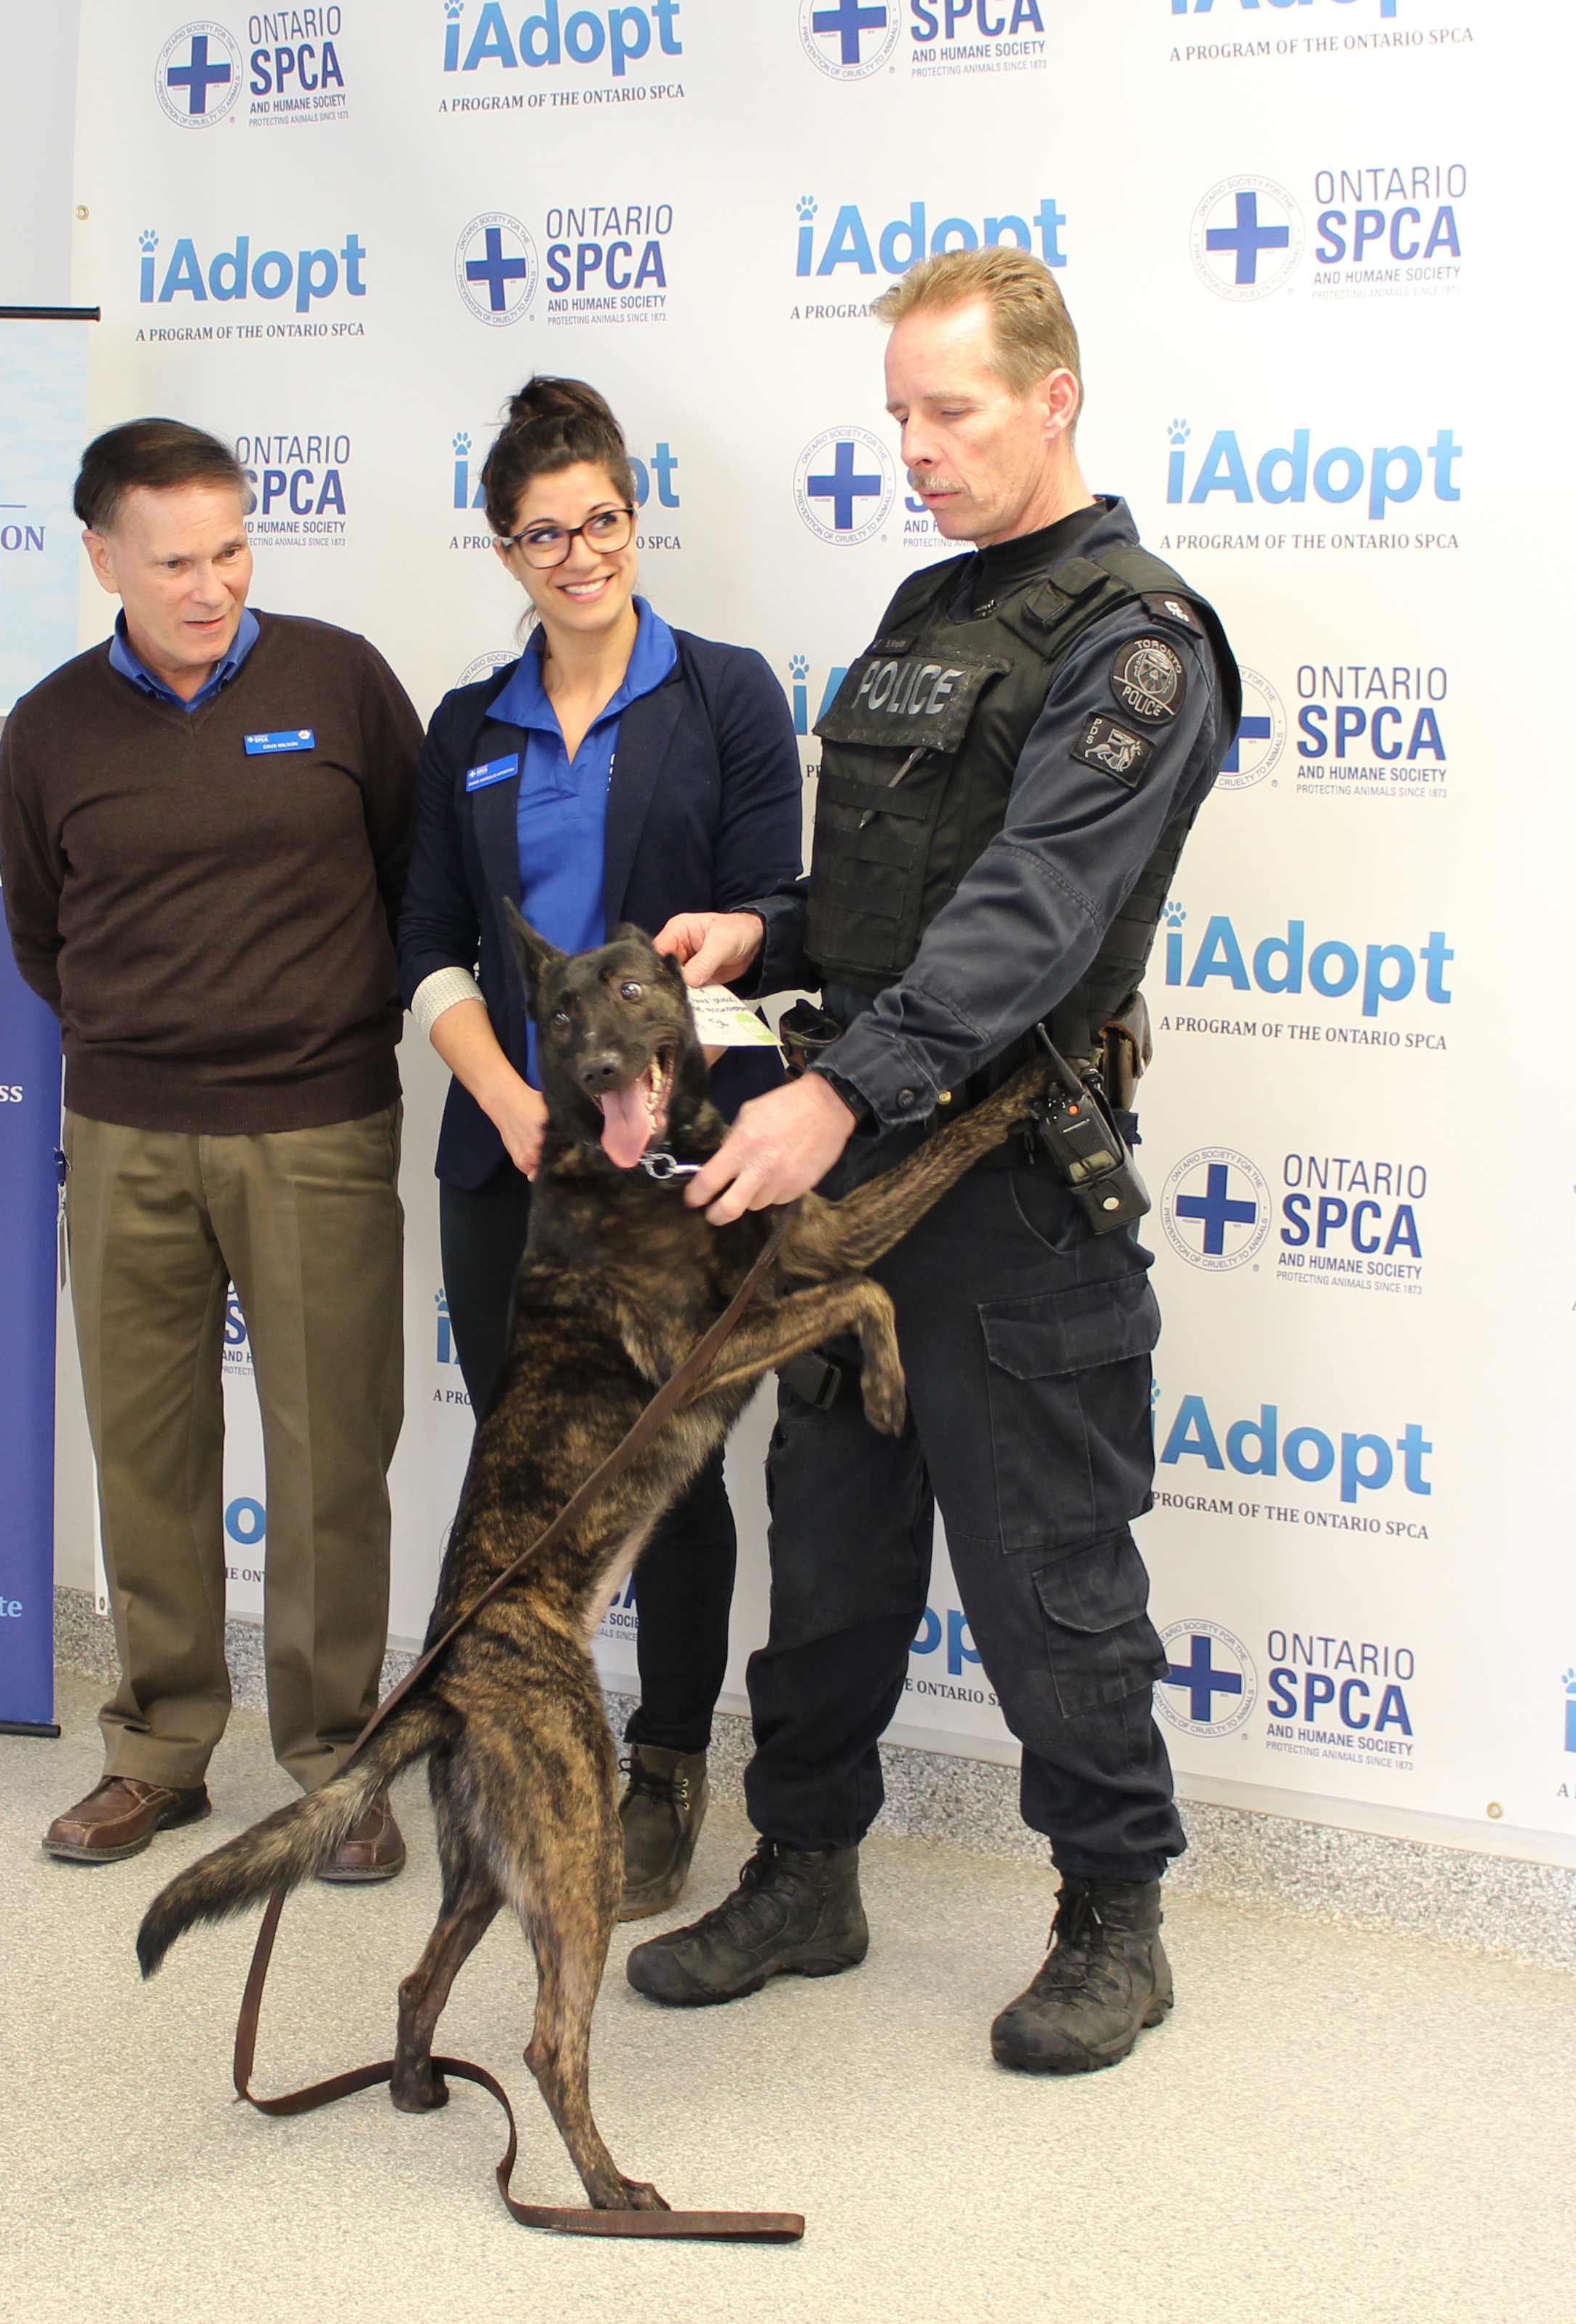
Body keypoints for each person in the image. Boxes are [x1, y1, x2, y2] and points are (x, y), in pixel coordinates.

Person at [626, 247, 1240, 2072]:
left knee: (1052, 1577)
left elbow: (1032, 913)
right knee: (827, 1553)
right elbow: (893, 898)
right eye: (898, 414)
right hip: (860, 1190)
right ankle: (806, 1873)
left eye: (950, 411)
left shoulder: (1139, 643)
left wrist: (838, 1091)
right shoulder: (923, 610)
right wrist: (772, 933)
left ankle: (1115, 1918)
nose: (916, 447)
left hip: (1009, 1188)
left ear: (1056, 397)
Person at [0, 418, 421, 1877]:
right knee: (148, 1453)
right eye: (174, 561)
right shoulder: (51, 726)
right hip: (125, 1132)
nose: (211, 586)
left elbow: (413, 879)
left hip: (316, 1127)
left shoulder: (340, 681)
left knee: (329, 1454)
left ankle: (334, 1759)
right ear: (103, 556)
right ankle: (159, 1752)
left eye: (231, 551)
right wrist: (147, 1038)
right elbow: (42, 931)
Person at [398, 378, 800, 1920]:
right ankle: (514, 1752)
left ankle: (669, 1764)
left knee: (666, 1475)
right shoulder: (468, 728)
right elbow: (426, 943)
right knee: (527, 1476)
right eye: (546, 534)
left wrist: (733, 944)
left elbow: (783, 908)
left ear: (637, 516)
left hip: (674, 1165)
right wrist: (508, 1095)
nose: (582, 556)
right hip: (512, 1153)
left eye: (605, 521)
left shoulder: (723, 694)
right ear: (505, 550)